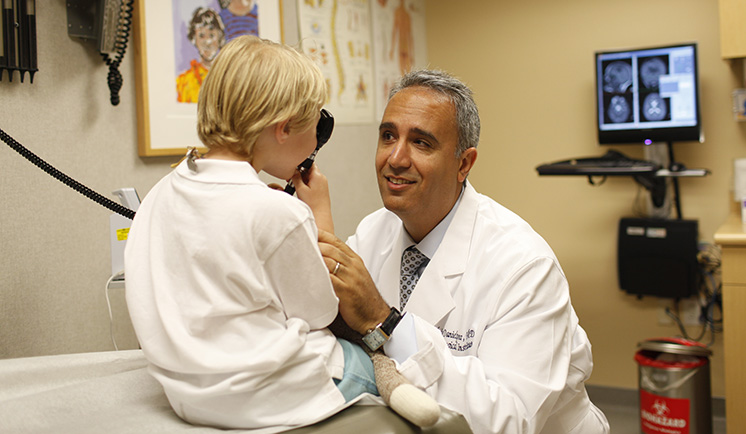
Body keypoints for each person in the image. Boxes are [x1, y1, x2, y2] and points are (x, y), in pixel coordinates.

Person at [125, 35, 435, 431]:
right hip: (272, 395)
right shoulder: (277, 211)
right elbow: (324, 313)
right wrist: (317, 214)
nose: (315, 144)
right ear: (285, 128)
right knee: (373, 358)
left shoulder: (161, 192)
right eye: (313, 128)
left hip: (190, 396)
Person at [314, 69, 611, 434]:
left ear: (464, 163)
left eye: (421, 143)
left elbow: (509, 419)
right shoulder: (373, 232)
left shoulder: (524, 265)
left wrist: (385, 322)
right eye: (388, 136)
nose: (396, 158)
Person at [176, 8, 225, 103]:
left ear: (220, 37)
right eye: (202, 36)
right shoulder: (183, 81)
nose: (208, 42)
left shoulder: (230, 78)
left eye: (211, 35)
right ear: (194, 39)